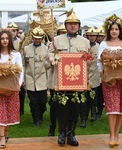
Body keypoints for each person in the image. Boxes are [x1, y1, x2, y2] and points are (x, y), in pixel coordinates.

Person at [48, 9, 90, 146]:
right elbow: (48, 57)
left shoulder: (85, 42)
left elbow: (89, 60)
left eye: (75, 24)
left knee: (75, 108)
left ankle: (71, 134)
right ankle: (61, 133)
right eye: (70, 23)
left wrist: (88, 59)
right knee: (62, 109)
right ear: (65, 26)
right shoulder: (56, 40)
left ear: (79, 26)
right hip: (60, 83)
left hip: (78, 83)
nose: (73, 26)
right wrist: (53, 58)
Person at [97, 14, 122, 147]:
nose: (114, 31)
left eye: (116, 29)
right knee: (112, 107)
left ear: (120, 31)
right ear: (108, 30)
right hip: (110, 80)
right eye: (112, 29)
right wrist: (102, 74)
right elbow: (99, 62)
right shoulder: (103, 43)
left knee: (121, 107)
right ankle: (112, 134)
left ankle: (117, 134)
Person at [0, 29, 23, 149]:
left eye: (7, 38)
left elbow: (21, 71)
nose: (4, 41)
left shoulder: (16, 54)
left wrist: (18, 85)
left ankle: (6, 131)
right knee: (1, 112)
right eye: (2, 38)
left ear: (10, 40)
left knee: (9, 112)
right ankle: (2, 137)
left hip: (12, 89)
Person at [23, 26, 51, 127]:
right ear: (32, 38)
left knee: (43, 102)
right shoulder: (26, 49)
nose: (37, 40)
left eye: (39, 38)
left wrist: (52, 62)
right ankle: (36, 119)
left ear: (42, 38)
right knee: (33, 102)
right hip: (30, 79)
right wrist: (22, 79)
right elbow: (23, 65)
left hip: (42, 79)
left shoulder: (46, 49)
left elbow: (47, 66)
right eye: (35, 38)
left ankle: (40, 114)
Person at [47, 23, 67, 136]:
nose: (63, 34)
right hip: (57, 79)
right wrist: (52, 58)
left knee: (67, 106)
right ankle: (52, 126)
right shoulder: (54, 42)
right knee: (54, 105)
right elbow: (48, 54)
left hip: (70, 79)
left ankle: (65, 129)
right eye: (61, 32)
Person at [80, 26, 100, 128]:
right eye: (90, 35)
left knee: (93, 98)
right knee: (83, 99)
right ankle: (83, 119)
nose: (92, 37)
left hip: (94, 77)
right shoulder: (83, 46)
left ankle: (93, 113)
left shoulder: (99, 47)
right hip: (83, 77)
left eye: (94, 36)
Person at [7, 21, 26, 115]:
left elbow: (22, 58)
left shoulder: (21, 42)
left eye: (14, 31)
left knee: (20, 93)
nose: (13, 32)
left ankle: (20, 109)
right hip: (7, 70)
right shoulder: (4, 40)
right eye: (11, 30)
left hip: (18, 69)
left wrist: (22, 76)